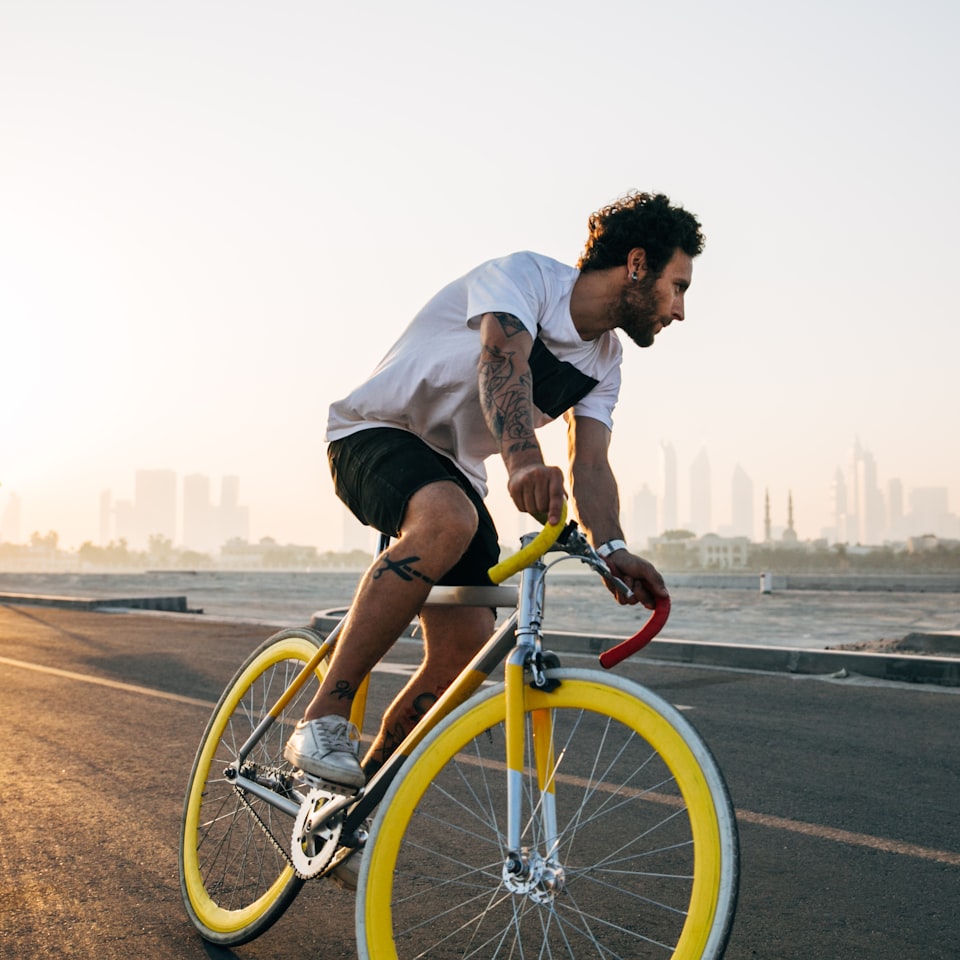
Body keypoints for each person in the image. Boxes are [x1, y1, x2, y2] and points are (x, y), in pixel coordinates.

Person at [284, 190, 704, 792]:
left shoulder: (605, 362)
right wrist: (524, 462)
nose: (680, 311)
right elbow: (501, 362)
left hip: (455, 473)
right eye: (678, 287)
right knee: (449, 519)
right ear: (637, 264)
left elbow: (590, 465)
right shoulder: (528, 278)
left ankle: (355, 804)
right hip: (372, 433)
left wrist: (612, 549)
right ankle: (322, 719)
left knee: (467, 652)